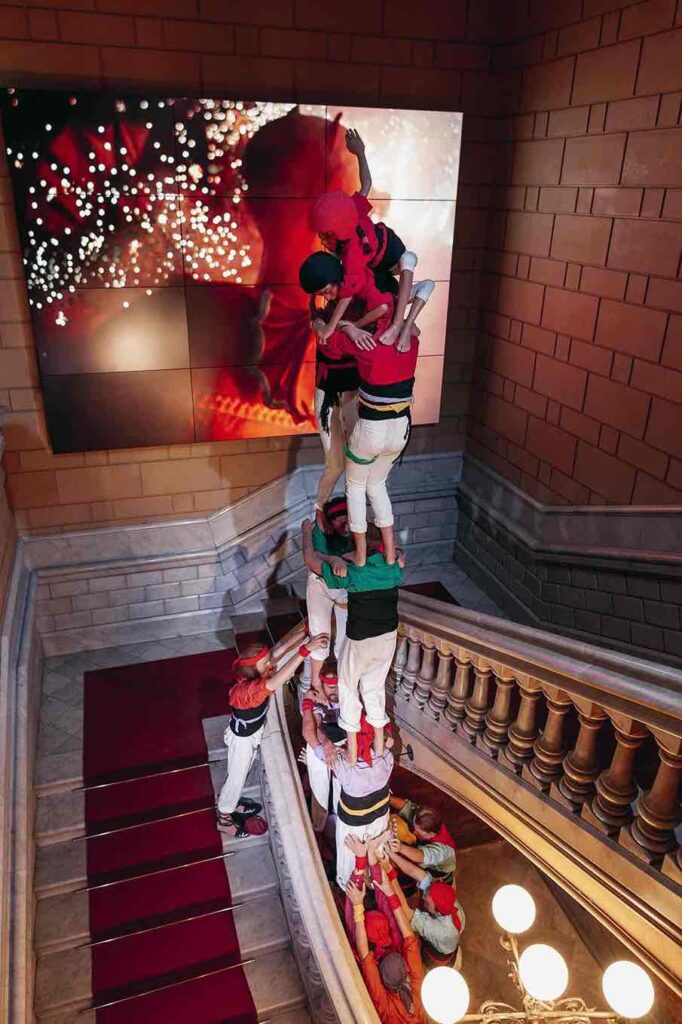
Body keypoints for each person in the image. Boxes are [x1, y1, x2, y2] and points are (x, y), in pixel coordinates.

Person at [304, 253, 419, 567]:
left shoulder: (364, 313)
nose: (326, 296)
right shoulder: (330, 309)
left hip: (360, 398)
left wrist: (355, 327)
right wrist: (352, 327)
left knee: (360, 479)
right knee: (341, 465)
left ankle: (362, 545)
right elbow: (321, 329)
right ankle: (323, 515)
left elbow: (378, 311)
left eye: (328, 290)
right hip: (336, 394)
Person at [309, 128, 434, 353]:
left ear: (337, 231)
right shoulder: (351, 211)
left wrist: (331, 327)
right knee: (387, 293)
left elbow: (346, 293)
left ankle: (399, 324)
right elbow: (366, 184)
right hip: (376, 269)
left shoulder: (352, 252)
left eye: (326, 235)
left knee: (409, 259)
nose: (322, 239)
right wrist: (360, 153)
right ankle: (403, 322)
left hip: (391, 254)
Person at [302, 521, 404, 763]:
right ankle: (378, 753)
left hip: (361, 640)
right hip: (387, 637)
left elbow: (310, 559)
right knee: (374, 690)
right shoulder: (394, 567)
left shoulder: (352, 571)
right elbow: (398, 553)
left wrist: (308, 532)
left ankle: (353, 758)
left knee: (349, 691)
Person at [217, 627, 329, 835]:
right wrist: (306, 649)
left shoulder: (254, 673)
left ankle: (229, 804)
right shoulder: (250, 691)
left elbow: (279, 652)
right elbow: (280, 676)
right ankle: (224, 818)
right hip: (243, 740)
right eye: (264, 663)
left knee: (241, 773)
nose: (269, 664)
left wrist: (306, 630)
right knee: (237, 777)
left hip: (249, 735)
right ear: (253, 669)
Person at [346, 853, 428, 1022]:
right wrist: (387, 889)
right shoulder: (419, 992)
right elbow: (406, 936)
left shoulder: (388, 1012)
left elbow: (365, 956)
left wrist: (357, 905)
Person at [315, 715, 394, 889]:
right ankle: (375, 887)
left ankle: (348, 890)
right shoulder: (387, 758)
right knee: (377, 857)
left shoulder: (345, 765)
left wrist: (326, 739)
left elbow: (315, 741)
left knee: (348, 863)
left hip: (354, 825)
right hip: (379, 818)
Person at [300, 496, 352, 703]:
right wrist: (333, 559)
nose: (347, 526)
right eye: (342, 522)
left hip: (343, 584)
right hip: (320, 583)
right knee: (320, 638)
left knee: (344, 641)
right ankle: (315, 681)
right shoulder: (319, 531)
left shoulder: (354, 530)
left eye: (349, 521)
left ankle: (345, 677)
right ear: (331, 522)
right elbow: (312, 558)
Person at [386, 841, 465, 968]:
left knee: (426, 961)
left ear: (437, 911)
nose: (423, 896)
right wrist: (390, 854)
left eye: (427, 901)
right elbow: (413, 871)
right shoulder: (445, 897)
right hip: (448, 938)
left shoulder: (440, 931)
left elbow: (406, 912)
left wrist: (390, 875)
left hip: (438, 953)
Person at [301, 657, 345, 834]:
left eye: (337, 686)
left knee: (344, 786)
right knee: (319, 783)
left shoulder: (349, 695)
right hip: (321, 741)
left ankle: (339, 822)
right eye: (330, 686)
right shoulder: (315, 697)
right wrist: (324, 747)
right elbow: (311, 728)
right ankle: (318, 826)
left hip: (344, 743)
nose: (335, 691)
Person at [389, 797, 457, 886]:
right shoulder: (425, 818)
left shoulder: (443, 852)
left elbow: (421, 856)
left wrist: (400, 847)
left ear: (431, 834)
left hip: (438, 878)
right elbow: (404, 806)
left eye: (418, 832)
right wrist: (382, 799)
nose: (414, 832)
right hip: (423, 863)